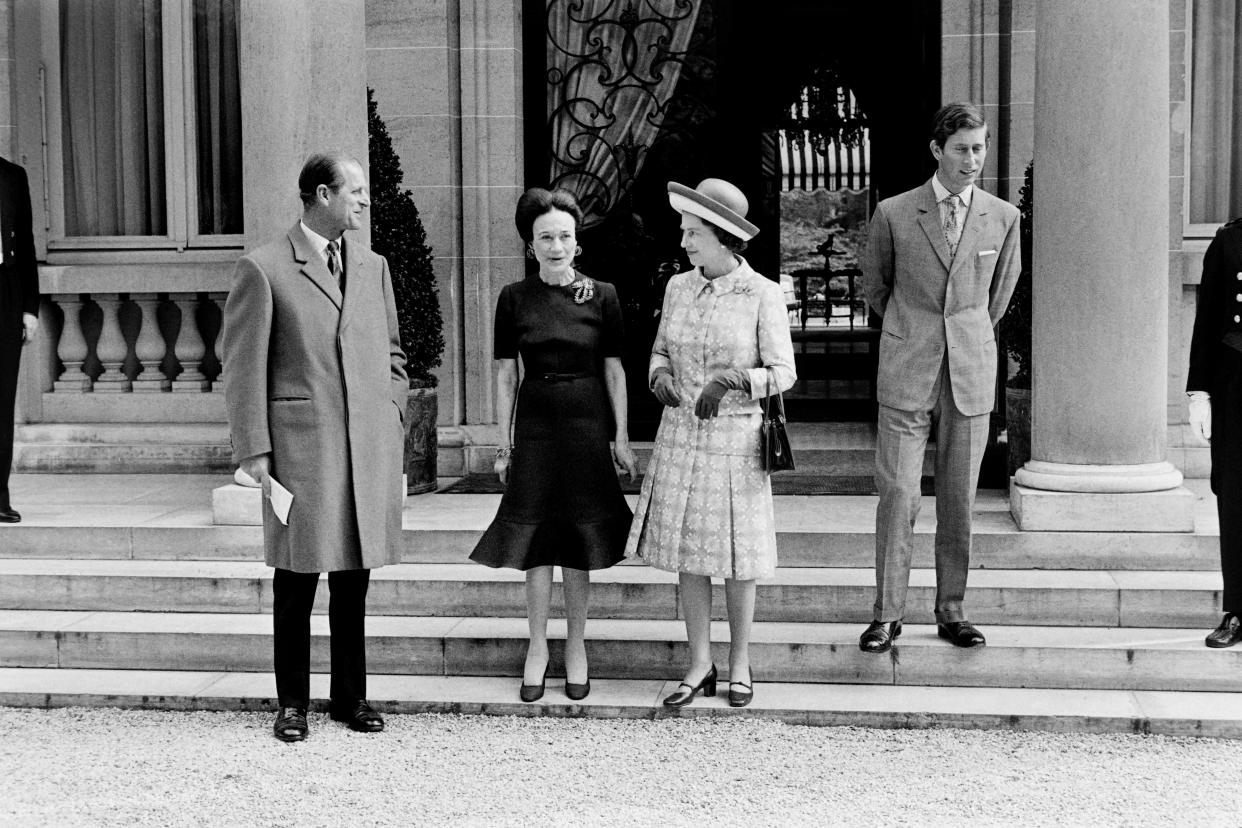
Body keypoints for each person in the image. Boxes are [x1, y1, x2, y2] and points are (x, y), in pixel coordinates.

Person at [223, 152, 408, 741]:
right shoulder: (265, 267)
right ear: (324, 195)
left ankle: (350, 699)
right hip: (301, 447)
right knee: (296, 578)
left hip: (367, 446)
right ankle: (292, 704)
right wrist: (254, 447)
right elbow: (243, 366)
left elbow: (396, 354)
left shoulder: (373, 265)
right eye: (355, 190)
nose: (364, 200)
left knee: (354, 576)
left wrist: (394, 412)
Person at [626, 178, 795, 709]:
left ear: (723, 236)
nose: (684, 241)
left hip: (735, 443)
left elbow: (785, 373)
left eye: (693, 232)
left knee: (738, 558)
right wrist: (658, 378)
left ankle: (740, 662)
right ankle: (700, 662)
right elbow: (658, 351)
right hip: (680, 438)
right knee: (690, 556)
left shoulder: (762, 293)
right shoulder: (678, 287)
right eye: (685, 230)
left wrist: (736, 381)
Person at [858, 102, 1021, 654]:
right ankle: (887, 613)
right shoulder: (895, 213)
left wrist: (965, 336)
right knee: (898, 493)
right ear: (936, 150)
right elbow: (876, 289)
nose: (973, 160)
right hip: (908, 368)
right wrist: (914, 331)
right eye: (961, 149)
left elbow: (996, 298)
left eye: (979, 148)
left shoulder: (1003, 218)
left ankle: (952, 610)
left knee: (959, 499)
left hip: (970, 371)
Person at [469, 187, 637, 702]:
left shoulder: (602, 294)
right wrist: (504, 445)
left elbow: (614, 368)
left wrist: (622, 436)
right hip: (537, 424)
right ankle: (537, 647)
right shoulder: (513, 298)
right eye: (546, 237)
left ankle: (578, 646)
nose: (557, 245)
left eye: (565, 236)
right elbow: (503, 374)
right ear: (531, 244)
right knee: (538, 540)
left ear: (577, 241)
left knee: (579, 540)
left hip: (587, 423)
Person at [1186, 216, 1242, 648]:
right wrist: (1199, 393)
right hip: (1235, 386)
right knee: (1236, 496)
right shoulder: (1228, 242)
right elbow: (1207, 322)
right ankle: (1238, 609)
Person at [0, 158, 39, 524]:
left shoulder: (12, 175)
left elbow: (25, 242)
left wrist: (30, 307)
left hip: (6, 294)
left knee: (2, 399)